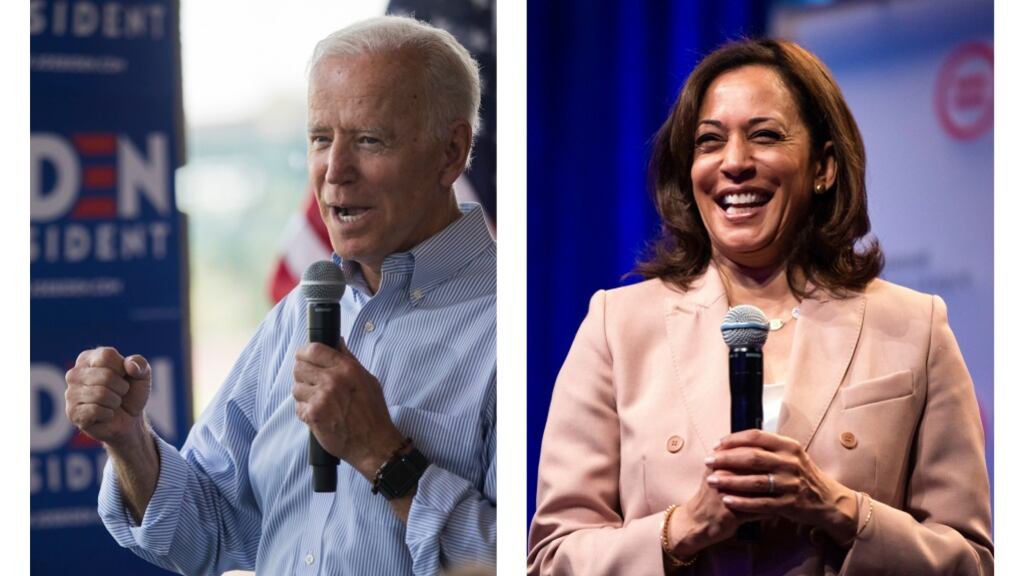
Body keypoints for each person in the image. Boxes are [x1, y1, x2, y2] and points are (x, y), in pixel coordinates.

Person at [527, 38, 992, 575]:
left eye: (765, 136)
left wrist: (838, 509)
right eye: (709, 142)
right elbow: (552, 558)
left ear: (824, 167)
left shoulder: (915, 326)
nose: (734, 164)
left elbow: (972, 561)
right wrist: (684, 527)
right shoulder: (618, 326)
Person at [64, 16, 496, 576]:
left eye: (369, 140)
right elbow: (207, 530)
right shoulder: (301, 312)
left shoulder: (514, 321)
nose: (333, 172)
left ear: (450, 153)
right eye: (320, 139)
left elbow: (533, 559)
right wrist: (129, 441)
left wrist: (382, 456)